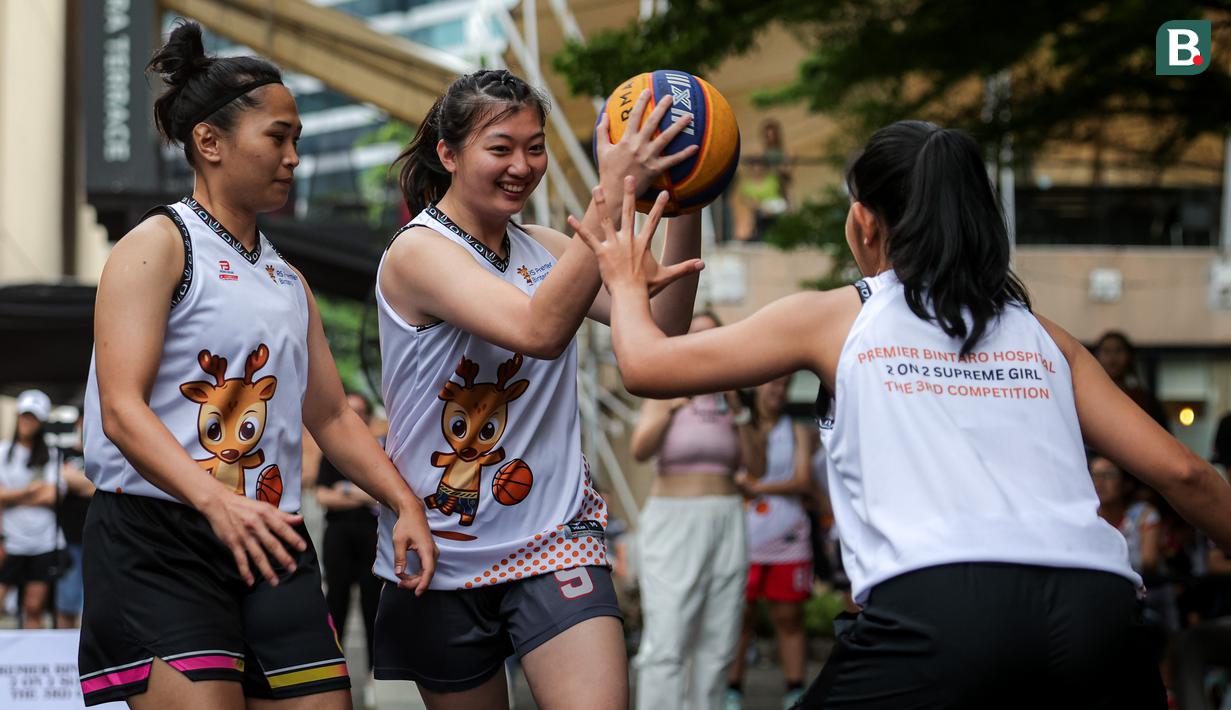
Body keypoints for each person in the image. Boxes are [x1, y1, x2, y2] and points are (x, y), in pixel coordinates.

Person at [576, 119, 1231, 708]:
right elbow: (1185, 474)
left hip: (942, 609)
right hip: (1098, 614)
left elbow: (646, 367)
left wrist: (627, 283)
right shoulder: (1045, 337)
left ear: (864, 223)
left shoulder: (836, 316)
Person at [79, 22, 435, 709]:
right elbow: (123, 411)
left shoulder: (285, 278)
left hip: (272, 535)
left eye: (297, 138)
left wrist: (403, 501)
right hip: (159, 537)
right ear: (209, 143)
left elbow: (330, 415)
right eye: (278, 137)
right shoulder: (155, 245)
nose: (294, 157)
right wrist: (215, 502)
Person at [371, 69, 704, 709]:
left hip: (556, 537)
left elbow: (666, 326)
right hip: (443, 553)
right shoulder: (418, 253)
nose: (522, 166)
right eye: (500, 148)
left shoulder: (547, 248)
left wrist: (686, 197)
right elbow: (540, 328)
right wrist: (611, 189)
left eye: (534, 146)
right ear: (449, 154)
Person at [628, 311, 753, 710]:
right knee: (668, 635)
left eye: (713, 335)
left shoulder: (733, 395)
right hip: (674, 518)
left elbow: (758, 466)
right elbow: (640, 449)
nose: (704, 342)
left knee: (719, 639)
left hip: (728, 515)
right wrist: (670, 409)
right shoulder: (665, 387)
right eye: (696, 334)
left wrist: (740, 410)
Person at [727, 376, 817, 710]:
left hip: (788, 537)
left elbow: (804, 479)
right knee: (740, 619)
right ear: (757, 388)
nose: (777, 391)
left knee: (789, 618)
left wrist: (756, 487)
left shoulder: (796, 429)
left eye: (784, 386)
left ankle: (795, 690)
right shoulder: (739, 425)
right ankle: (731, 691)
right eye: (771, 385)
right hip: (744, 537)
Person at [315, 391, 382, 673]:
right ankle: (333, 672)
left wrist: (343, 490)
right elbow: (322, 497)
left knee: (373, 608)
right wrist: (362, 492)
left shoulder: (379, 453)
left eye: (360, 413)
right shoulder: (330, 453)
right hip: (338, 538)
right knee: (336, 606)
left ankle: (374, 678)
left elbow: (383, 498)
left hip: (371, 539)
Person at [0, 389, 63, 629]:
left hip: (44, 541)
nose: (27, 422)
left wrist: (10, 497)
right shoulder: (3, 452)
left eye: (33, 417)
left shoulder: (51, 455)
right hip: (11, 541)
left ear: (41, 422)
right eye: (25, 416)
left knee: (33, 606)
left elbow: (50, 495)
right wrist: (30, 490)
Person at [56, 417, 94, 630]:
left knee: (90, 604)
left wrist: (76, 482)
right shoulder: (63, 453)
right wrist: (88, 483)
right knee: (66, 603)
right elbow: (58, 480)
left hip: (96, 539)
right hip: (69, 540)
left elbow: (99, 487)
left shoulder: (100, 453)